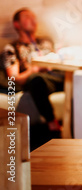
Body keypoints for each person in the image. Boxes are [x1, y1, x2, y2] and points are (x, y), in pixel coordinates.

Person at [0, 8, 64, 136]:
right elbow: (14, 78)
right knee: (36, 79)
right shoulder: (12, 48)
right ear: (17, 24)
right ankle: (52, 123)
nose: (33, 20)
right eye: (27, 17)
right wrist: (33, 70)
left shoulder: (46, 42)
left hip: (55, 77)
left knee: (77, 77)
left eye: (33, 17)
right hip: (37, 81)